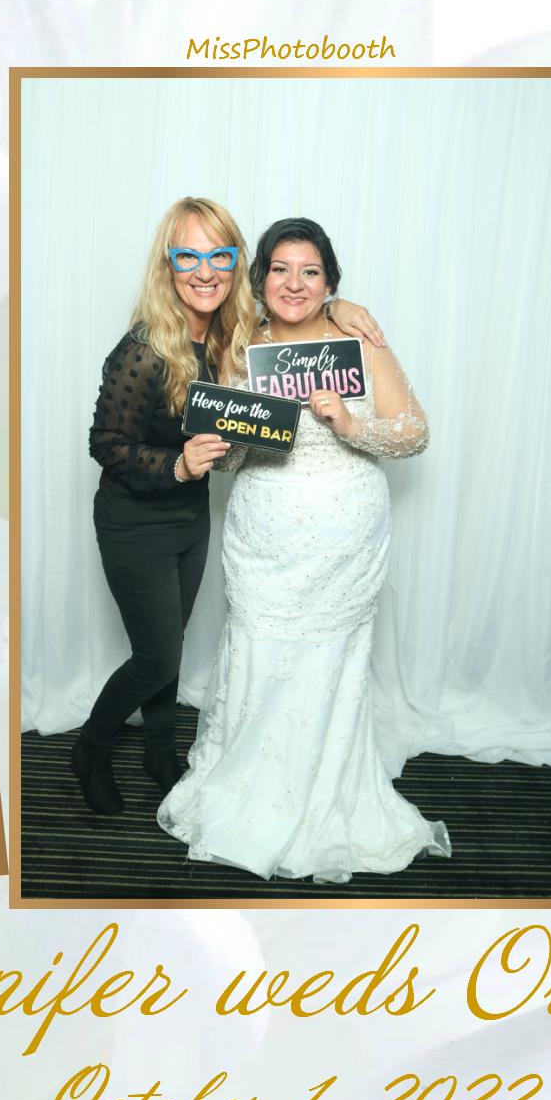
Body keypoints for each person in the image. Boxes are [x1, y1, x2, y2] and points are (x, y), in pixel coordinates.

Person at [156, 216, 449, 880]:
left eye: (310, 271)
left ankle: (323, 786)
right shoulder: (239, 345)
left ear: (330, 282)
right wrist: (228, 444)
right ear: (259, 280)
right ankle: (251, 781)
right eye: (281, 270)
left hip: (345, 535)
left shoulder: (356, 339)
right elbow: (230, 457)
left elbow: (414, 433)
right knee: (259, 646)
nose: (295, 283)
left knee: (328, 658)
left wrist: (349, 422)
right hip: (264, 534)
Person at [76, 198, 381, 815]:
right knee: (156, 656)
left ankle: (159, 752)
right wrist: (177, 464)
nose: (205, 270)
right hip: (135, 524)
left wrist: (339, 308)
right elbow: (104, 443)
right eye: (189, 255)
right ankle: (90, 749)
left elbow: (292, 306)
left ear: (238, 264)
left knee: (171, 644)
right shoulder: (142, 351)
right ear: (167, 265)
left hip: (189, 521)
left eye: (220, 255)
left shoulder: (226, 336)